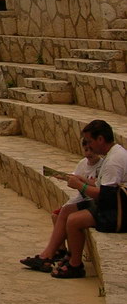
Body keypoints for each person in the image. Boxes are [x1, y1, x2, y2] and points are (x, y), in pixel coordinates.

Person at [52, 119, 127, 279]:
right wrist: (80, 180)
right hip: (112, 204)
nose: (88, 146)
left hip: (116, 212)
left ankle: (75, 265)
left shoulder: (114, 161)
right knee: (67, 210)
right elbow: (101, 187)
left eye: (90, 141)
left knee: (73, 221)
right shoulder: (112, 154)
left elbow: (105, 195)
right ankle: (58, 255)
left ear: (100, 139)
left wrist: (80, 186)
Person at [20, 135, 102, 272]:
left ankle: (63, 257)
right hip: (81, 199)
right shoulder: (83, 163)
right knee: (56, 215)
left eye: (91, 150)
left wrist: (80, 181)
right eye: (86, 150)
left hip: (90, 201)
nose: (89, 153)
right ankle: (60, 251)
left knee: (70, 218)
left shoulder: (102, 165)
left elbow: (98, 186)